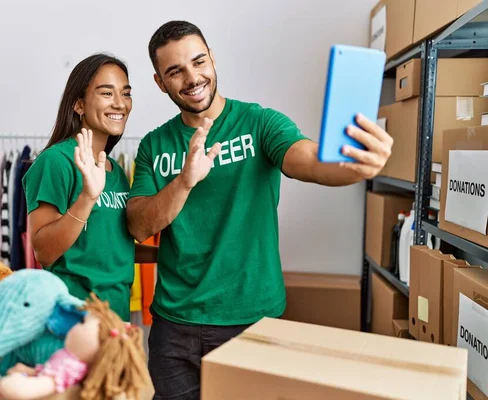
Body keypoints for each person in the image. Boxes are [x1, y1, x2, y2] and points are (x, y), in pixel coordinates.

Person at [126, 21, 394, 399]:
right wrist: (184, 181)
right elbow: (138, 224)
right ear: (160, 82)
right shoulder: (155, 145)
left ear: (213, 59)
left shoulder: (259, 123)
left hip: (251, 320)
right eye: (175, 71)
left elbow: (310, 160)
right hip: (174, 326)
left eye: (199, 61)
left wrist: (355, 165)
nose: (192, 77)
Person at [22, 53, 157, 323]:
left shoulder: (114, 170)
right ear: (79, 104)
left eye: (126, 93)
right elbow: (45, 251)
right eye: (107, 93)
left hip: (117, 320)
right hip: (73, 321)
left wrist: (175, 253)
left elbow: (110, 245)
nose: (120, 103)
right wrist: (87, 197)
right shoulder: (56, 162)